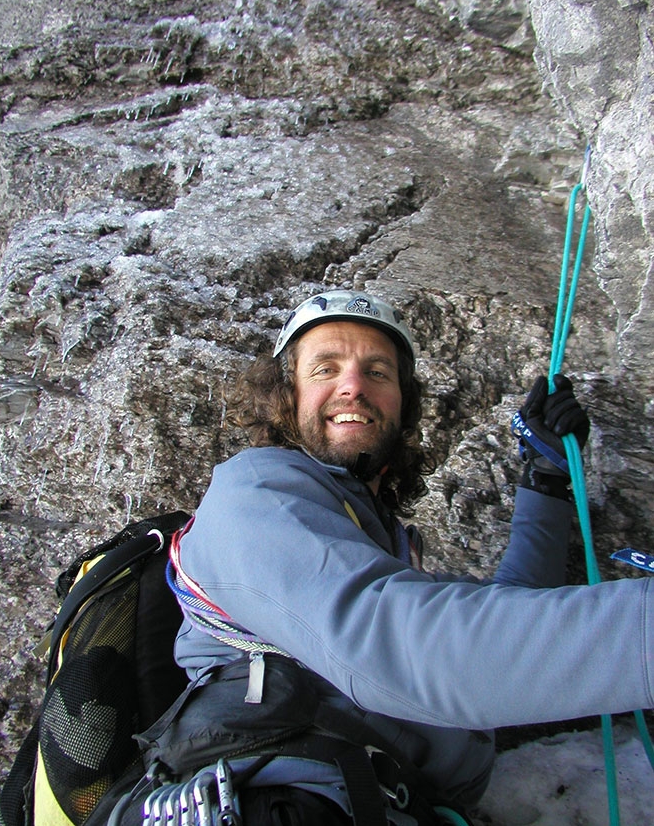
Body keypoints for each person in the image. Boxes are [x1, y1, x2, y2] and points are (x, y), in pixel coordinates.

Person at [164, 289, 653, 824]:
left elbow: (502, 618)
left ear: (403, 400)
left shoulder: (374, 536)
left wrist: (547, 480)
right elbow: (412, 650)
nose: (353, 384)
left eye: (378, 372)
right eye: (325, 368)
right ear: (287, 395)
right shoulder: (253, 493)